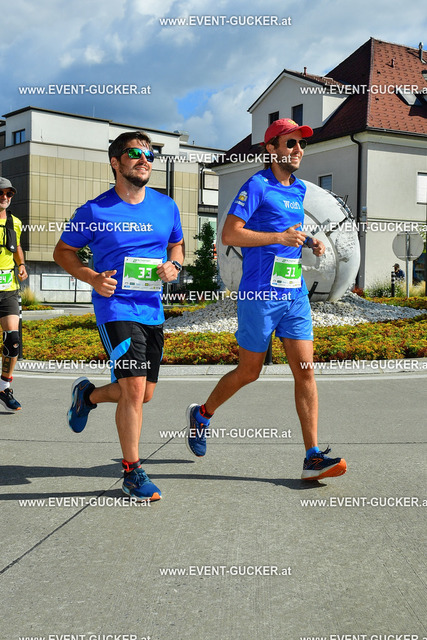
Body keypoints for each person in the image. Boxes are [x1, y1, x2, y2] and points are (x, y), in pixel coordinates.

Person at [186, 118, 347, 481]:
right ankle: (202, 414)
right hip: (259, 294)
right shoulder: (257, 185)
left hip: (294, 294)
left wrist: (309, 240)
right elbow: (230, 234)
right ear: (271, 149)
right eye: (290, 143)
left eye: (301, 144)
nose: (298, 150)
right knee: (250, 371)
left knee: (305, 370)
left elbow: (289, 230)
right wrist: (278, 237)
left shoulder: (298, 189)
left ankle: (312, 456)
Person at [53, 131, 184, 501]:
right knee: (134, 388)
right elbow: (63, 252)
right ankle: (132, 472)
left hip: (152, 310)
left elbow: (177, 244)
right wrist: (92, 277)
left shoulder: (166, 206)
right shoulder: (95, 211)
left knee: (144, 394)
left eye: (149, 155)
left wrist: (174, 265)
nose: (144, 160)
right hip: (115, 308)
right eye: (134, 153)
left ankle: (88, 396)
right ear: (115, 162)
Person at [0, 177, 28, 411]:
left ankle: (4, 387)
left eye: (9, 194)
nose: (5, 197)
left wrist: (21, 264)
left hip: (8, 289)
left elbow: (16, 246)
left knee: (13, 340)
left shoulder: (15, 222)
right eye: (1, 193)